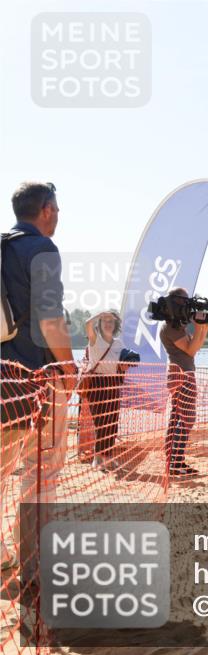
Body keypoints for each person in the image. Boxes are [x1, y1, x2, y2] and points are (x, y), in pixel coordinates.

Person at [0, 182, 75, 572]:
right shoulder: (42, 249)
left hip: (1, 379)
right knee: (41, 472)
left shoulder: (2, 248)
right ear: (46, 210)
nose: (59, 216)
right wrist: (69, 368)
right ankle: (33, 563)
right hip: (37, 381)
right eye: (57, 209)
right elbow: (50, 320)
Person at [160, 287, 208, 477]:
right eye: (183, 300)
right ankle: (175, 462)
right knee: (187, 419)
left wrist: (203, 328)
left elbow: (195, 347)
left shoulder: (177, 326)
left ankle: (174, 461)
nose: (187, 303)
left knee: (177, 419)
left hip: (183, 374)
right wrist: (199, 329)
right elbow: (190, 350)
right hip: (182, 376)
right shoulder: (170, 327)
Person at [81, 310, 127, 472]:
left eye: (111, 321)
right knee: (100, 422)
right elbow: (87, 324)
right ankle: (98, 457)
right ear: (100, 324)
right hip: (97, 383)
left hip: (114, 383)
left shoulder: (119, 343)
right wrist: (100, 314)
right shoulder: (94, 339)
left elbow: (121, 364)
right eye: (105, 321)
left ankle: (107, 456)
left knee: (112, 422)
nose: (108, 324)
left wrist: (124, 366)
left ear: (115, 325)